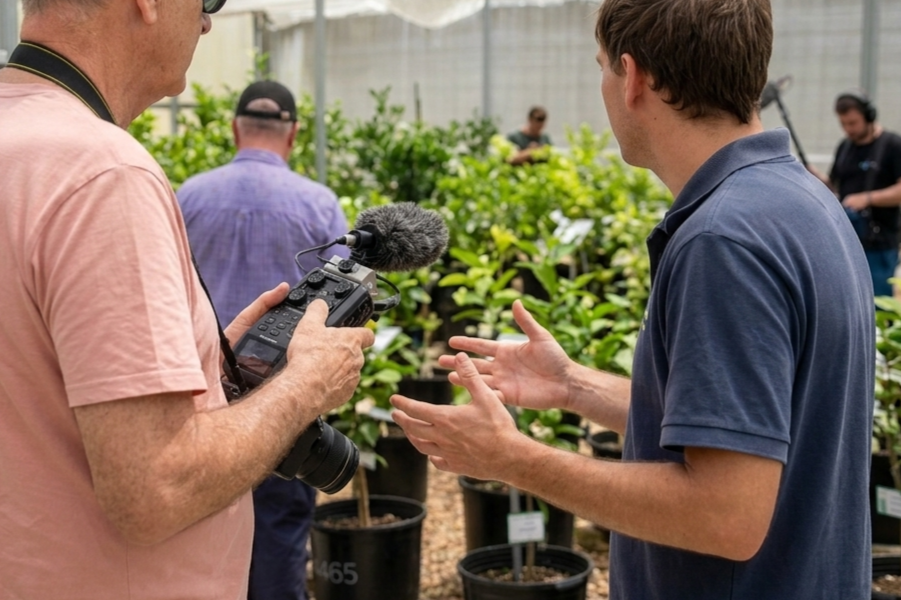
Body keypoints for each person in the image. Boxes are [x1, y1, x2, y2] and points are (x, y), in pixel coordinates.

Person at [391, 1, 874, 599]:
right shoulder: (803, 201)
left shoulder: (723, 241)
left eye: (601, 66)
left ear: (633, 77)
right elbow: (748, 427)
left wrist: (513, 458)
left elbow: (725, 514)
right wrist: (573, 386)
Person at [0, 1, 374, 599]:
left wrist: (205, 367)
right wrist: (306, 384)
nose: (206, 21)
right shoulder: (104, 174)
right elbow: (155, 489)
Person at [177, 79, 351, 600]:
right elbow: (344, 307)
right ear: (293, 135)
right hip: (286, 409)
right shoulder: (319, 206)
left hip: (203, 400)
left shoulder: (187, 197)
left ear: (235, 129)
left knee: (199, 550)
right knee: (279, 548)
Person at [807, 90, 901, 297]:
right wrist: (814, 176)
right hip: (847, 240)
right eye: (843, 124)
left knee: (877, 302)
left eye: (853, 123)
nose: (848, 129)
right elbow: (835, 187)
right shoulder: (845, 147)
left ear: (869, 116)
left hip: (879, 243)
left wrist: (867, 198)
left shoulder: (892, 145)